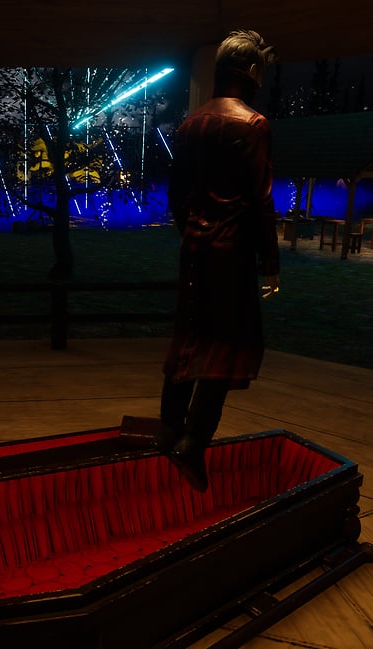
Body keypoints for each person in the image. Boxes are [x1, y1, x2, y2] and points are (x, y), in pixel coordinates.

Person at [156, 30, 281, 492]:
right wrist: (270, 261)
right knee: (225, 347)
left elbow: (176, 195)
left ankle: (169, 428)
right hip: (232, 254)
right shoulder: (253, 125)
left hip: (194, 248)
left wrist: (192, 231)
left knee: (189, 336)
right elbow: (261, 199)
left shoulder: (190, 123)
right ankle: (193, 445)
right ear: (252, 71)